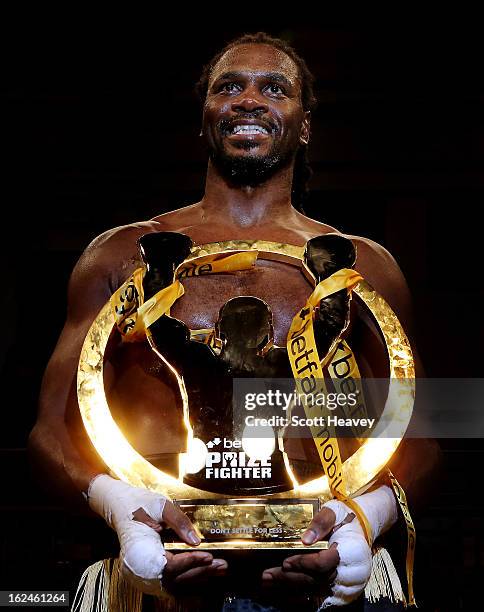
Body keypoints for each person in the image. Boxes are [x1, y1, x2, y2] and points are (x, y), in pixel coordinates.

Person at [29, 32, 442, 610]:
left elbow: (423, 434)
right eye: (230, 87)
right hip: (154, 569)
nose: (249, 99)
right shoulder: (120, 254)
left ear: (303, 125)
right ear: (205, 121)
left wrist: (359, 526)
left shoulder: (364, 265)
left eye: (274, 88)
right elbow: (49, 430)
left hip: (323, 568)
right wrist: (123, 512)